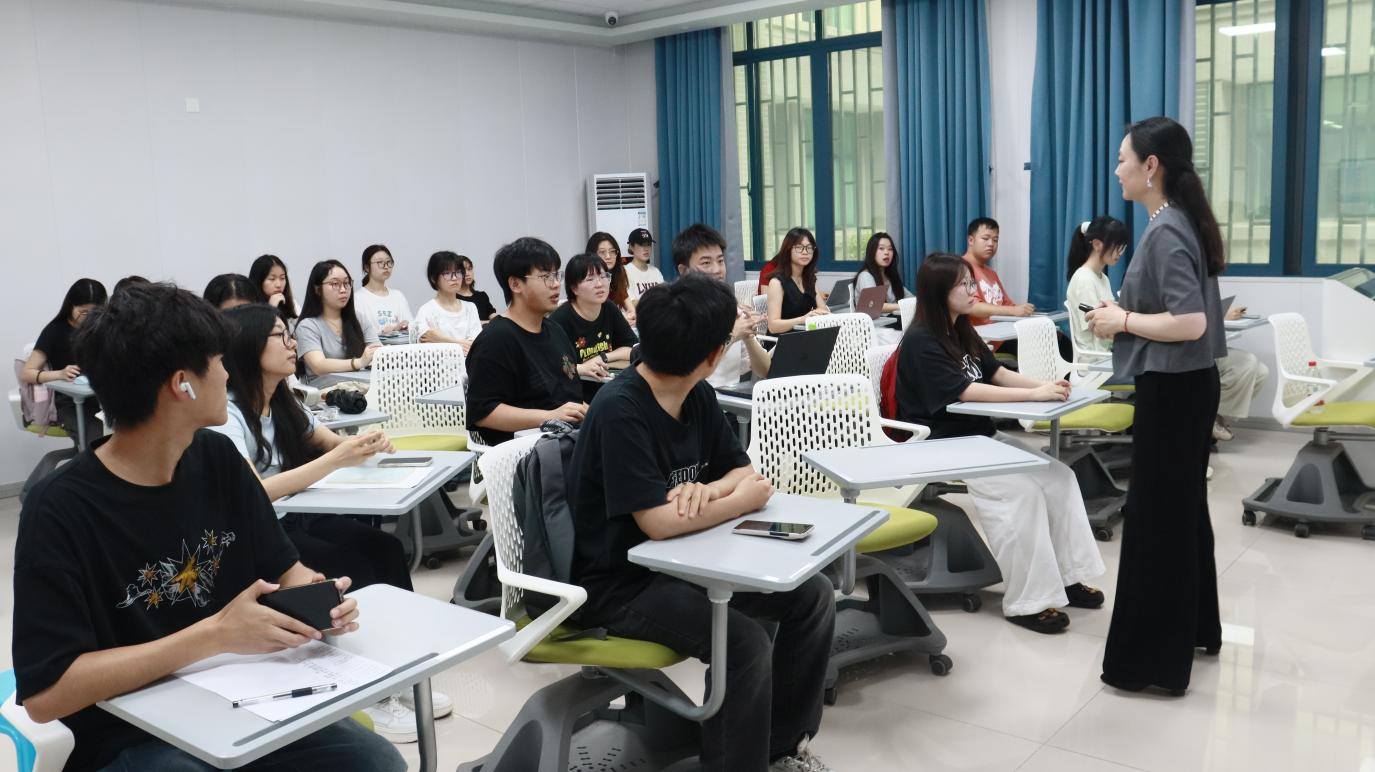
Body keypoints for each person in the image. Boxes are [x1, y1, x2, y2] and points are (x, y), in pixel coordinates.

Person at [11, 282, 403, 772]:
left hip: (250, 699)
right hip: (134, 734)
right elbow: (47, 695)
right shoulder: (59, 508)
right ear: (183, 384)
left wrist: (319, 600)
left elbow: (287, 570)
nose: (227, 372)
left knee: (375, 762)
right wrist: (214, 635)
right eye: (218, 361)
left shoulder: (218, 459)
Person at [570, 273, 836, 772]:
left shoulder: (697, 394)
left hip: (687, 560)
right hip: (620, 583)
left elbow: (740, 471)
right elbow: (658, 522)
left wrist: (709, 490)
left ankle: (781, 748)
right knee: (744, 643)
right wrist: (738, 500)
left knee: (813, 595)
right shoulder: (620, 410)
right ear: (714, 354)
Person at [212, 303, 451, 742]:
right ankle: (369, 689)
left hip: (300, 519)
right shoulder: (227, 415)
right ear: (248, 348)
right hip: (261, 537)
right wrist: (338, 458)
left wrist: (365, 444)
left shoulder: (283, 401)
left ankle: (404, 668)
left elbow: (330, 444)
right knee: (347, 565)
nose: (291, 345)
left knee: (384, 548)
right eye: (280, 337)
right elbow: (254, 494)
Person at [1088, 115, 1227, 695]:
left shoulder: (1166, 228)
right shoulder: (1178, 221)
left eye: (1124, 159)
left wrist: (1120, 320)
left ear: (1151, 166)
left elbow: (1190, 322)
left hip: (1174, 389)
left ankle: (1151, 663)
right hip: (1187, 385)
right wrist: (1124, 318)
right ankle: (1194, 630)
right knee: (1182, 514)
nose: (1116, 169)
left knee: (1157, 522)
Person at [896, 253, 1106, 634]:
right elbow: (967, 391)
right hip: (942, 443)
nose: (972, 290)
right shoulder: (920, 341)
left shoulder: (961, 329)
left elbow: (998, 374)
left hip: (979, 437)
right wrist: (1034, 396)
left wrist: (1045, 386)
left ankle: (1070, 576)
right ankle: (1028, 601)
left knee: (1059, 477)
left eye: (971, 282)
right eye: (964, 285)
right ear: (940, 292)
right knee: (1021, 492)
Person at [465, 238, 602, 445]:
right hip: (528, 451)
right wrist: (549, 417)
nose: (556, 284)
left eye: (556, 275)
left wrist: (590, 413)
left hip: (570, 437)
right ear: (515, 284)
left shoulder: (555, 330)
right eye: (546, 277)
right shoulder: (496, 339)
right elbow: (484, 413)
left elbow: (565, 394)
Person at [669, 223, 770, 388]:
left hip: (730, 400)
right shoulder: (676, 311)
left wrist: (748, 336)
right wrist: (733, 334)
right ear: (684, 270)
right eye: (706, 263)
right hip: (690, 399)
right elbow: (690, 371)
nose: (717, 270)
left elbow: (765, 370)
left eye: (720, 261)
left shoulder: (731, 308)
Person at [964, 217, 1073, 360]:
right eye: (985, 238)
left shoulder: (991, 273)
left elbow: (1008, 305)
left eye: (995, 240)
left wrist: (1035, 321)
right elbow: (972, 307)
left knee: (1059, 339)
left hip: (1004, 335)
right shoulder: (962, 268)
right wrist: (1013, 311)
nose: (991, 244)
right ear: (971, 240)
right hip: (985, 340)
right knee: (1052, 347)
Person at [19, 278, 108, 447]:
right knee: (97, 439)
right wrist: (60, 374)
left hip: (102, 397)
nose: (89, 317)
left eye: (96, 312)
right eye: (83, 312)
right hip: (69, 402)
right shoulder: (55, 330)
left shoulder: (103, 328)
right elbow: (27, 373)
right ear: (71, 306)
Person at [548, 254, 638, 400]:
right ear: (574, 288)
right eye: (590, 279)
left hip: (610, 389)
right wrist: (582, 367)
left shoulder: (609, 308)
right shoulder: (560, 319)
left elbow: (632, 349)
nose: (599, 284)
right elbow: (552, 367)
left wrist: (602, 357)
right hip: (575, 396)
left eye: (604, 276)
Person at [295, 260, 381, 387]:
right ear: (318, 289)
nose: (343, 290)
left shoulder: (359, 319)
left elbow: (378, 352)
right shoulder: (307, 326)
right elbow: (318, 365)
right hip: (326, 393)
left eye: (346, 283)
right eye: (335, 284)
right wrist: (358, 362)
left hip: (363, 387)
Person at [1064, 217, 1128, 357]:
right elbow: (1098, 329)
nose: (1119, 253)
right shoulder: (1084, 279)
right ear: (1097, 244)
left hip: (1105, 353)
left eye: (1122, 248)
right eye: (1116, 247)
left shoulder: (1103, 278)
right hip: (1094, 359)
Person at [1212, 301, 1269, 441]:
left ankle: (1215, 418)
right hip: (1191, 352)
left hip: (1210, 349)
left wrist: (1222, 314)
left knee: (1261, 372)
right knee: (1248, 361)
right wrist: (1220, 317)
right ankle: (1209, 419)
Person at [414, 251, 483, 354]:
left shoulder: (470, 308)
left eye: (458, 272)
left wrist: (440, 339)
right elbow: (426, 340)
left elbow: (476, 345)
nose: (454, 278)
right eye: (447, 273)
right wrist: (460, 344)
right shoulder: (427, 310)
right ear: (433, 278)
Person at [764, 227, 830, 334]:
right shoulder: (777, 283)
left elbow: (824, 311)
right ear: (788, 250)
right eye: (799, 247)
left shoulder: (808, 279)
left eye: (809, 248)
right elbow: (773, 326)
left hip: (804, 335)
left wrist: (815, 314)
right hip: (782, 340)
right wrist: (802, 319)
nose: (805, 252)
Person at [356, 244, 412, 336]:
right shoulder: (357, 298)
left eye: (389, 262)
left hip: (401, 344)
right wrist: (390, 330)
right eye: (380, 262)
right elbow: (359, 334)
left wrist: (406, 326)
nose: (386, 266)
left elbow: (410, 326)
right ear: (366, 267)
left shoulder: (398, 296)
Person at [854, 232, 907, 316]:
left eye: (890, 249)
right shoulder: (865, 276)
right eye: (881, 248)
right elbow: (873, 305)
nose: (886, 252)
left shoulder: (890, 276)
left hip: (892, 320)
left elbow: (908, 297)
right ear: (872, 252)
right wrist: (903, 306)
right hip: (876, 323)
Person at [586, 231, 634, 322]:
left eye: (612, 251)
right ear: (592, 254)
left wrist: (630, 317)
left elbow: (632, 311)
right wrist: (621, 318)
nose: (608, 256)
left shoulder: (616, 276)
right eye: (602, 252)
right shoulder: (587, 281)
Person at [249, 254, 299, 322]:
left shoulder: (292, 304)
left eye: (282, 278)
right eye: (272, 279)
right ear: (259, 281)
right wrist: (271, 309)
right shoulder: (248, 307)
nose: (279, 285)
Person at [623, 228, 664, 304]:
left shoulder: (655, 271)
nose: (646, 249)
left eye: (649, 244)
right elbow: (631, 303)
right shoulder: (625, 271)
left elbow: (665, 298)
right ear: (631, 246)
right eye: (641, 245)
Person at [456, 254, 500, 323]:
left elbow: (493, 315)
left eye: (469, 269)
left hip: (489, 329)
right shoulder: (453, 299)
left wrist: (501, 320)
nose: (467, 274)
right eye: (462, 271)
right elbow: (465, 324)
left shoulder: (482, 296)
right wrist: (490, 322)